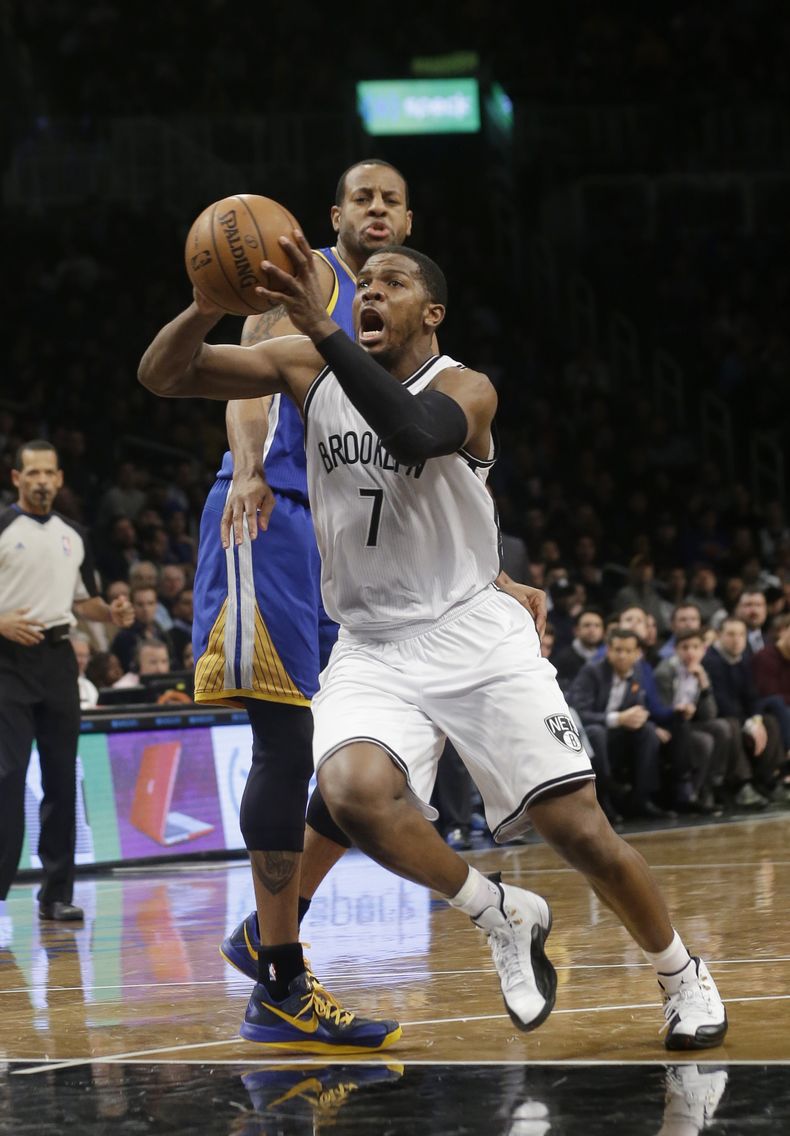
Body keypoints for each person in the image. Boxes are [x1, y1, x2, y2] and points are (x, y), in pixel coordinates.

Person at [139, 235, 727, 1053]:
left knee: (580, 831)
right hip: (372, 644)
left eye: (393, 283)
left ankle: (679, 973)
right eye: (364, 284)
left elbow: (415, 433)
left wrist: (325, 331)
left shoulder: (466, 386)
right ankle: (501, 912)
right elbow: (164, 376)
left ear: (432, 311)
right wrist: (211, 300)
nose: (370, 292)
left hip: (475, 638)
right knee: (349, 791)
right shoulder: (305, 366)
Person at [173, 159, 539, 1052]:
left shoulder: (397, 314)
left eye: (391, 199)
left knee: (370, 752)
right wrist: (252, 474)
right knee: (289, 739)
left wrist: (484, 578)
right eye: (361, 198)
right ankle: (283, 980)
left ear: (410, 215)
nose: (376, 210)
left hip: (351, 553)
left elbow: (419, 490)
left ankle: (274, 926)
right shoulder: (305, 275)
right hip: (277, 517)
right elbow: (252, 381)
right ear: (333, 213)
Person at [0, 440, 133, 921]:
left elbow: (84, 601)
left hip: (58, 658)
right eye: (31, 472)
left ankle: (56, 893)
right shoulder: (3, 526)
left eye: (48, 473)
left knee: (61, 777)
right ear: (16, 478)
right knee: (8, 777)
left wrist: (112, 612)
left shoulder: (74, 533)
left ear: (59, 479)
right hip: (7, 661)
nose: (40, 481)